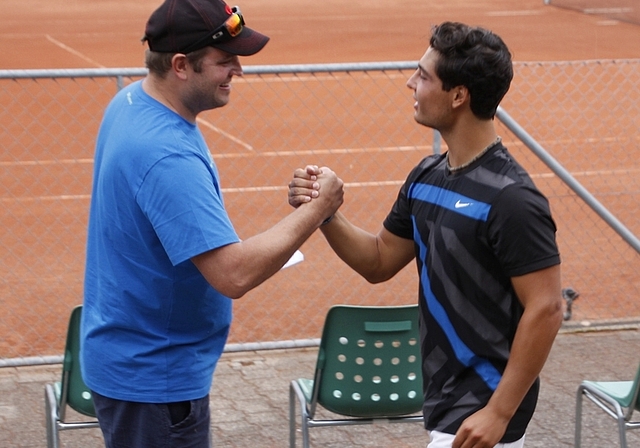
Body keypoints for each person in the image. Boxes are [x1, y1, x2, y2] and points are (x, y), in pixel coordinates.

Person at [288, 22, 563, 448]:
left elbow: (546, 307)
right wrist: (324, 213)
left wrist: (499, 412)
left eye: (423, 75)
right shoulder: (426, 177)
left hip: (483, 417)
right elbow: (377, 261)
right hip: (446, 406)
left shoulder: (512, 198)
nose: (410, 82)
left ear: (458, 96)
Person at [80, 0, 343, 447]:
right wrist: (317, 210)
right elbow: (232, 273)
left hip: (131, 359)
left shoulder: (129, 102)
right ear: (181, 65)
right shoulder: (167, 153)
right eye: (224, 61)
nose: (238, 70)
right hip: (156, 380)